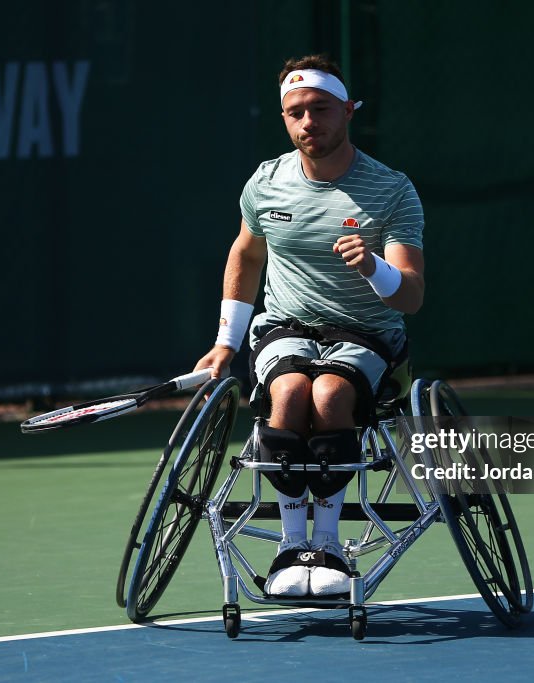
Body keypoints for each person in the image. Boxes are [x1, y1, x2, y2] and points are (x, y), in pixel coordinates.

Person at [194, 54, 425, 598]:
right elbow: (247, 257)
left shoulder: (391, 190)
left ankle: (329, 545)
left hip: (366, 331)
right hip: (286, 327)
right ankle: (290, 547)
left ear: (347, 111)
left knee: (327, 395)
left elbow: (411, 295)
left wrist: (374, 266)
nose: (307, 122)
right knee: (291, 389)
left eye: (319, 109)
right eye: (294, 112)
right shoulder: (266, 183)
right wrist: (226, 343)